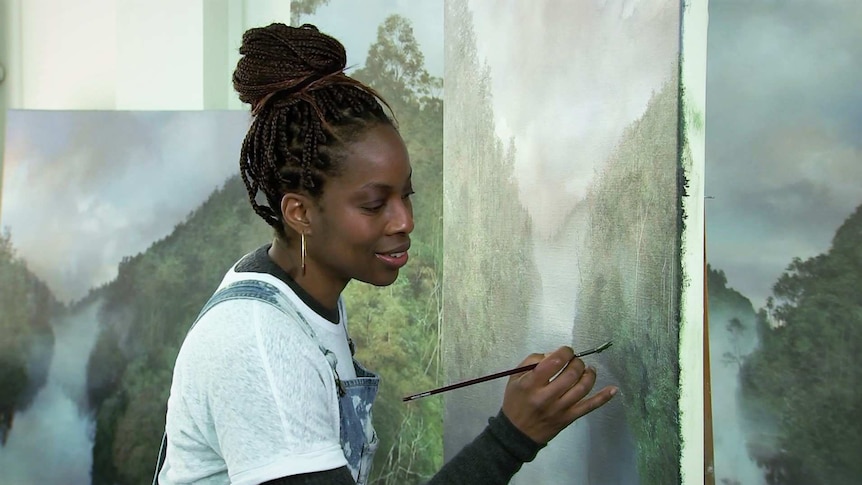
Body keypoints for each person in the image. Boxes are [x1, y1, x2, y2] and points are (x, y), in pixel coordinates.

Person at [155, 23, 617, 485]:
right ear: (299, 212)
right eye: (375, 204)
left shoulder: (301, 296)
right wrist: (511, 437)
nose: (404, 222)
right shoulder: (260, 345)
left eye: (406, 196)